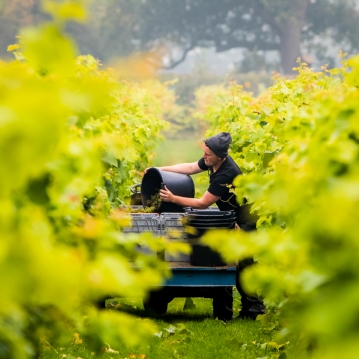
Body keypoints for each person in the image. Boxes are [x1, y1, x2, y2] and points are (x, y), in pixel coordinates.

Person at [146, 132, 265, 319]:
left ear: (220, 156)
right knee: (227, 259)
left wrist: (173, 198)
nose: (204, 157)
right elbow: (191, 167)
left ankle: (254, 309)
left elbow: (203, 203)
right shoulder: (213, 161)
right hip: (231, 215)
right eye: (204, 152)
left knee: (244, 263)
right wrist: (160, 168)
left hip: (245, 219)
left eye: (207, 155)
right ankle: (233, 310)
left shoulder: (226, 174)